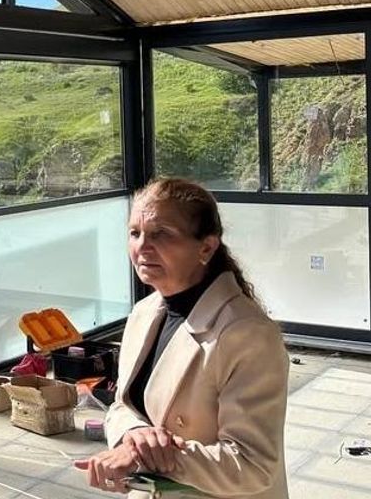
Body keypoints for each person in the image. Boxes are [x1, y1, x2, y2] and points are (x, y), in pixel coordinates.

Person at [75, 178, 289, 498]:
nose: (142, 247)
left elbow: (253, 465)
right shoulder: (144, 312)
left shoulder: (247, 334)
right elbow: (122, 405)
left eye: (161, 234)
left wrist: (150, 455)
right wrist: (135, 435)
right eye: (135, 233)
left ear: (206, 247)